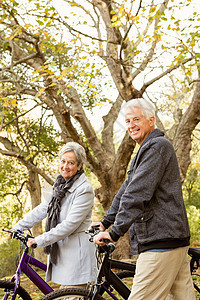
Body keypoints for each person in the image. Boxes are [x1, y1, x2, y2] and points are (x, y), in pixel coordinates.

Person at [93, 98, 195, 300]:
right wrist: (106, 222)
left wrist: (114, 233)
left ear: (151, 120)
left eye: (136, 119)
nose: (131, 125)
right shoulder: (146, 149)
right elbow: (125, 190)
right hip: (169, 239)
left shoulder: (157, 147)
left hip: (161, 240)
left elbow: (136, 194)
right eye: (128, 121)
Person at [12, 142, 97, 288]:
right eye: (63, 161)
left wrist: (39, 240)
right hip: (64, 254)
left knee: (72, 296)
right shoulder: (60, 186)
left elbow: (69, 225)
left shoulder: (84, 190)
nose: (65, 166)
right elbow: (44, 208)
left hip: (77, 257)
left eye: (71, 163)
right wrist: (19, 226)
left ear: (79, 166)